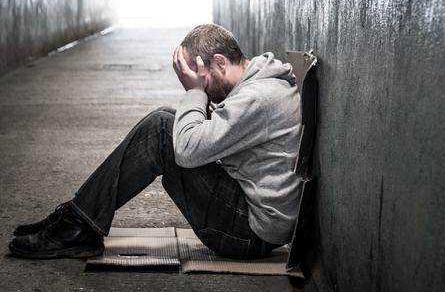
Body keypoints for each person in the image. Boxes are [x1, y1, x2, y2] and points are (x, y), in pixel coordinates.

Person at [8, 24, 303, 260]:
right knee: (166, 118)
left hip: (248, 233)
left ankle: (77, 226)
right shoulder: (257, 84)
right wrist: (199, 89)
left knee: (163, 130)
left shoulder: (257, 99)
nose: (199, 86)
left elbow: (187, 152)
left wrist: (195, 93)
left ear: (219, 62)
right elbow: (205, 134)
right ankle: (78, 216)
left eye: (198, 76)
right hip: (248, 214)